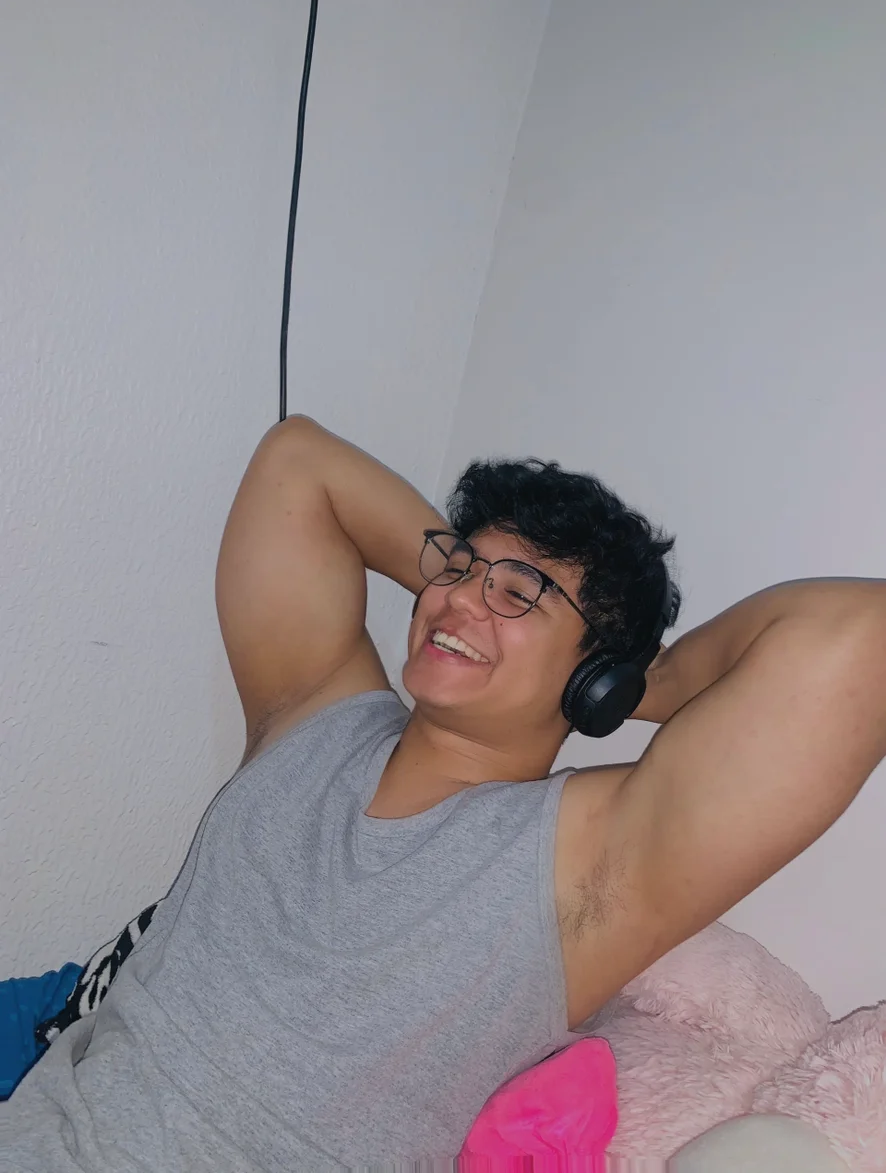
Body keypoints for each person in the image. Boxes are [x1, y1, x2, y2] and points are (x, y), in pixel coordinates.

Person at [2, 415, 885, 1171]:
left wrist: (636, 683)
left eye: (521, 593)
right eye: (458, 569)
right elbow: (297, 461)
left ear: (595, 677)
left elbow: (863, 639)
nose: (459, 601)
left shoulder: (583, 865)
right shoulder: (312, 709)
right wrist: (481, 580)